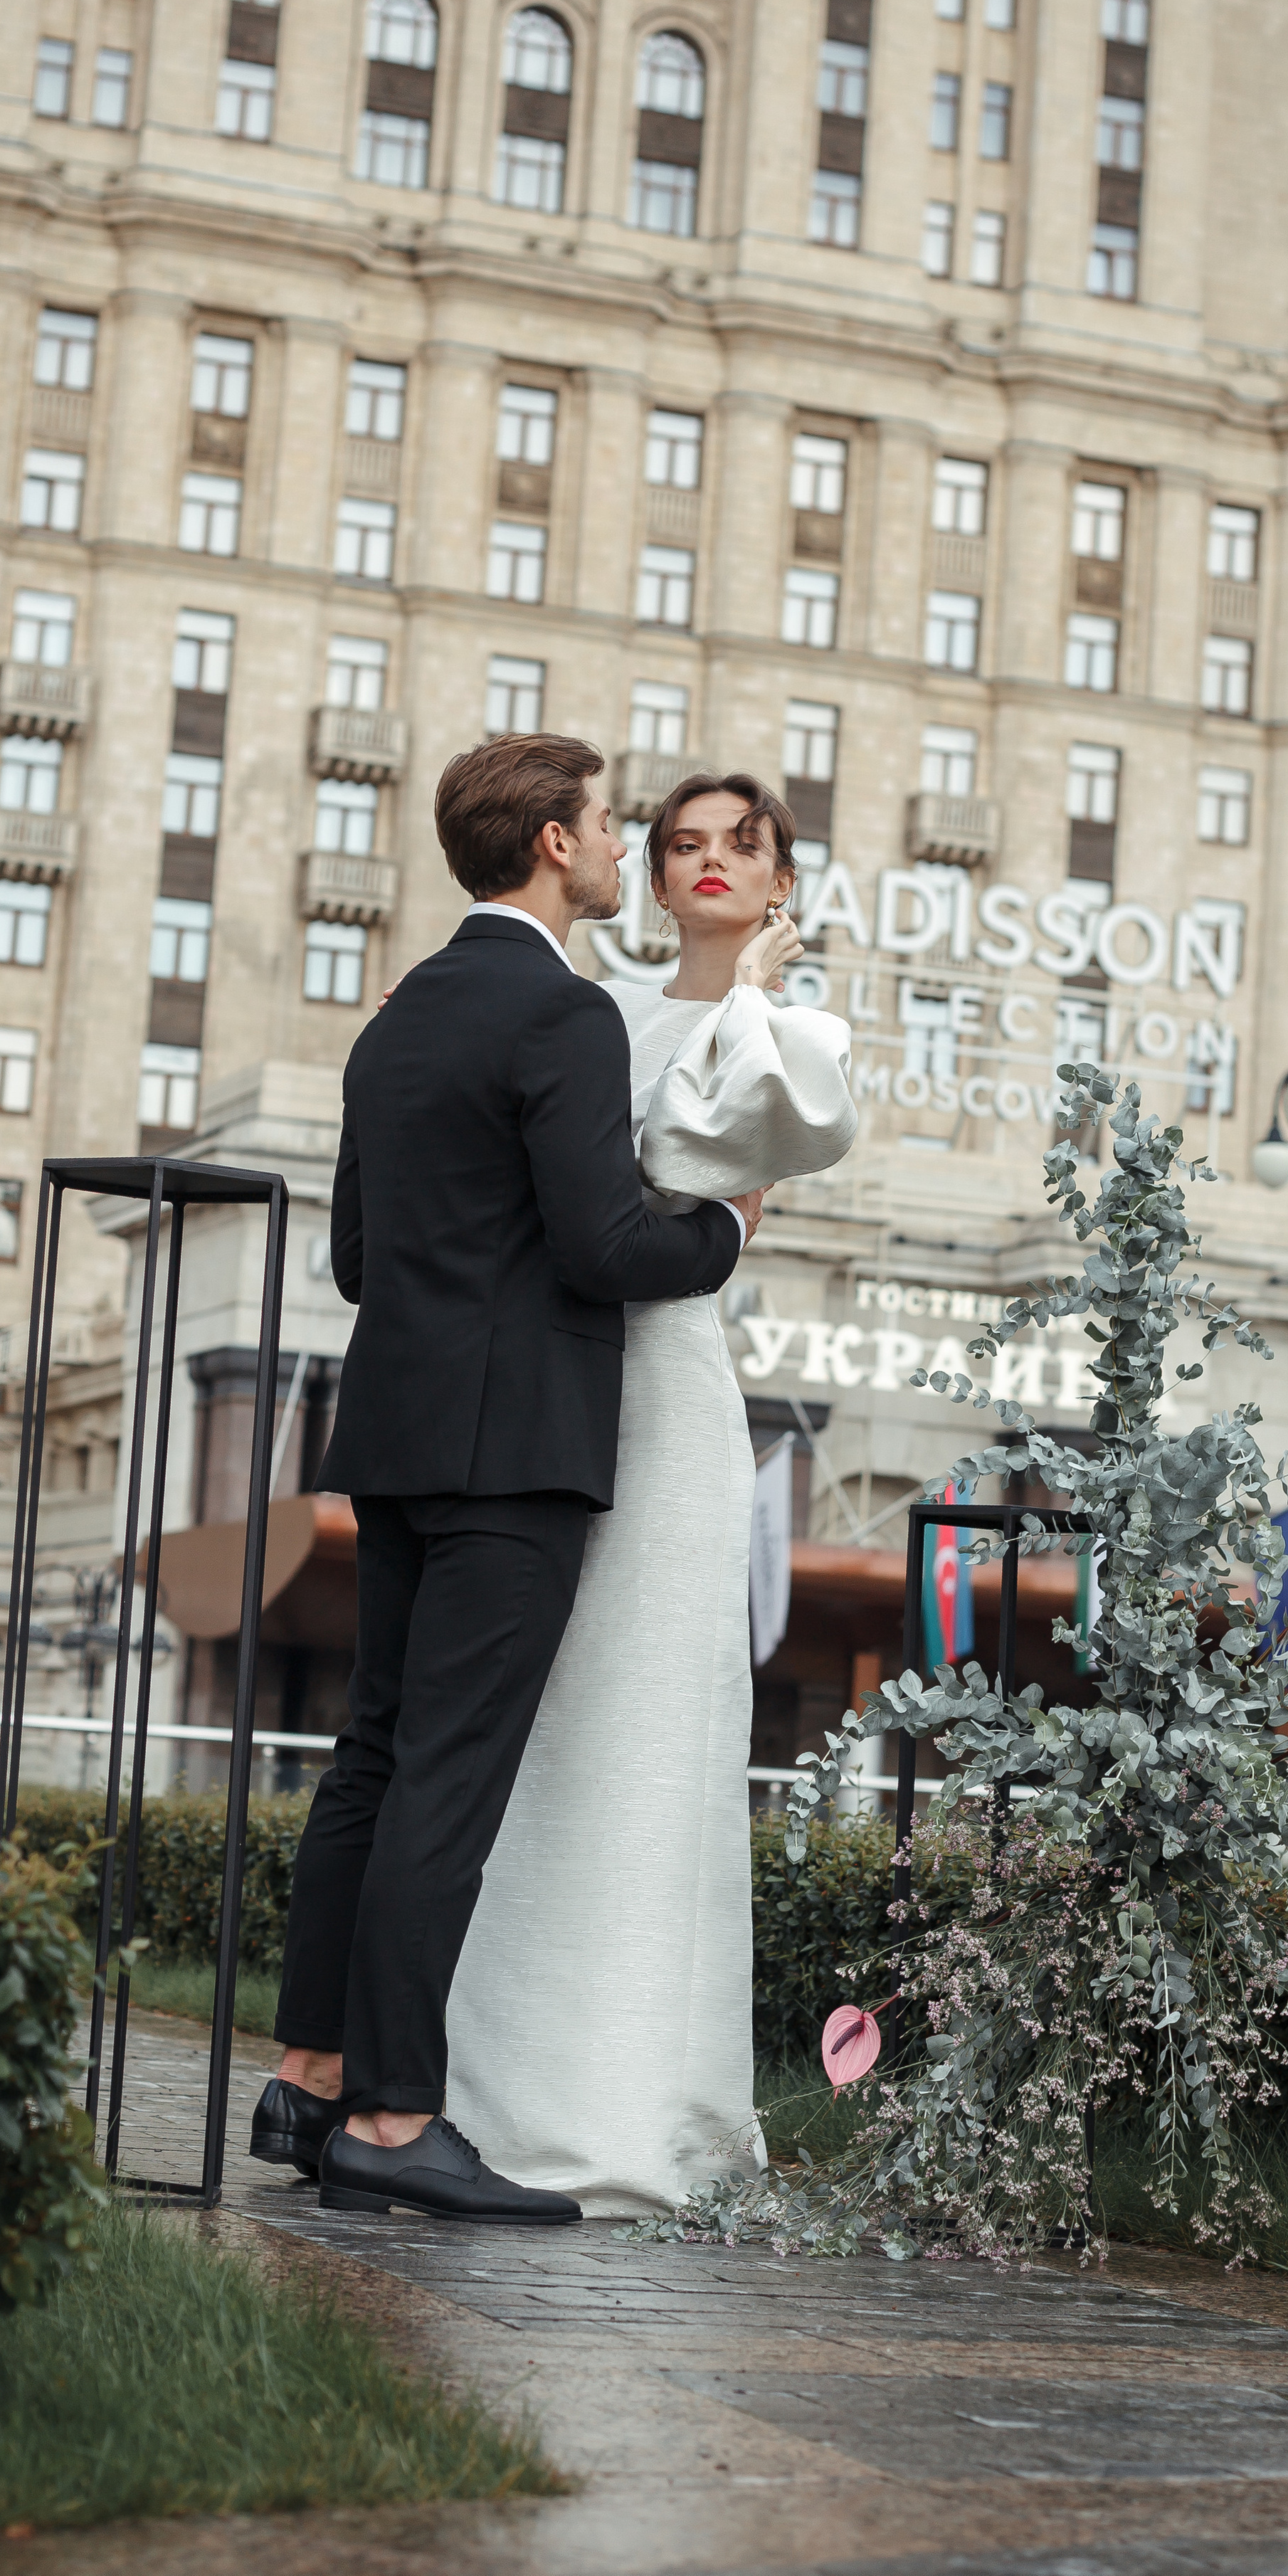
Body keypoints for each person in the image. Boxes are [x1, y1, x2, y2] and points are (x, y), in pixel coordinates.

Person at [248, 734, 764, 2222]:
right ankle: (402, 2124)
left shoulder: (395, 1020)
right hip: (514, 1452)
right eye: (606, 826)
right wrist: (727, 1227)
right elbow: (609, 1248)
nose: (619, 848)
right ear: (549, 842)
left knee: (374, 1757)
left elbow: (356, 1258)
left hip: (399, 1441)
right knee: (447, 1779)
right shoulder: (563, 1013)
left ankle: (312, 2076)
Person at [445, 771, 857, 2215]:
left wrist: (744, 992)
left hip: (670, 1394)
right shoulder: (589, 1010)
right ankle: (488, 2097)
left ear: (777, 874)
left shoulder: (799, 1035)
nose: (699, 865)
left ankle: (634, 2107)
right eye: (676, 842)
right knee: (541, 1729)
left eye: (734, 847)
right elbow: (609, 1188)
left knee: (650, 1733)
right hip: (552, 1383)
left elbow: (692, 1174)